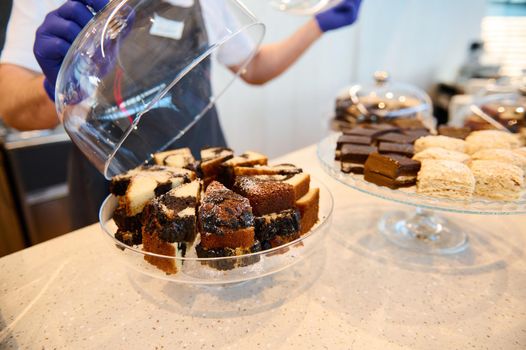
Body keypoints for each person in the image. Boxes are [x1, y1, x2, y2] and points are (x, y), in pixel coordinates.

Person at [0, 0, 362, 229]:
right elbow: (12, 109)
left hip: (207, 170)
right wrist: (59, 86)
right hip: (114, 187)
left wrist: (320, 24)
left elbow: (253, 67)